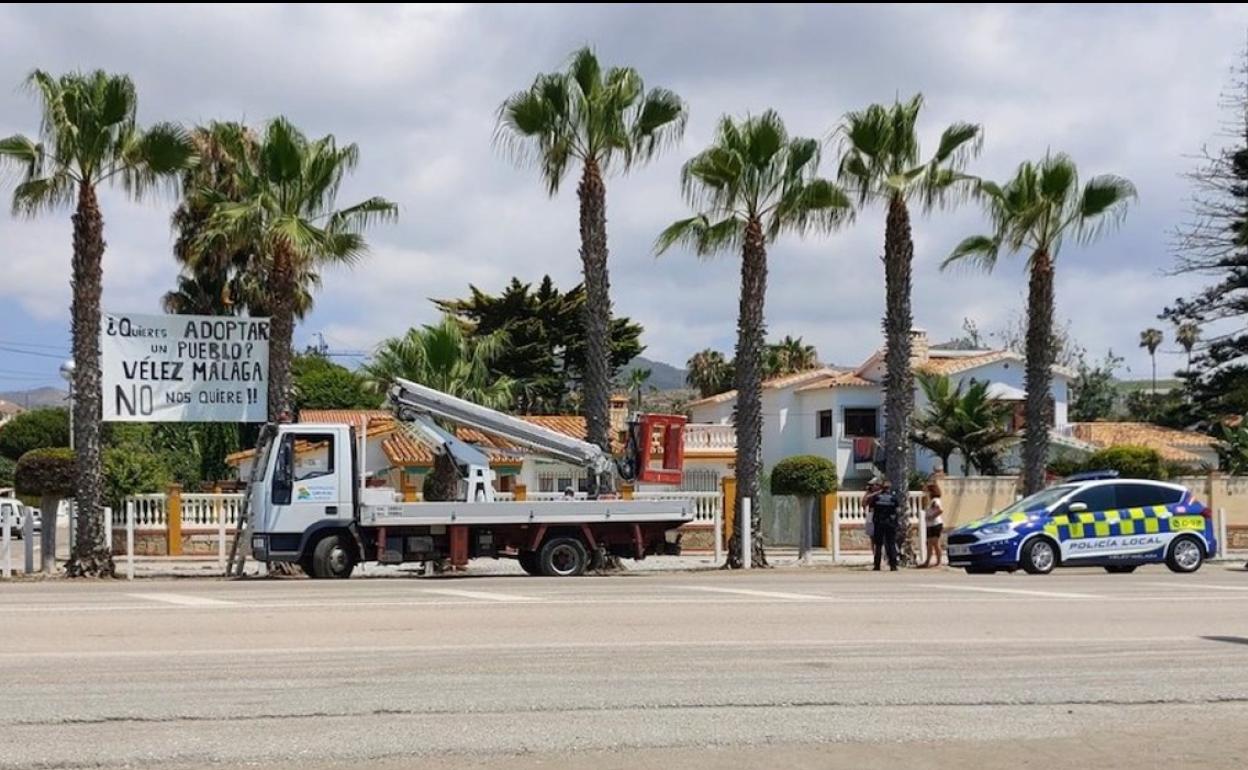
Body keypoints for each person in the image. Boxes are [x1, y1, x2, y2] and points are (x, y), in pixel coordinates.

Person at [870, 479, 900, 571]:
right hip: (890, 523)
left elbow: (871, 509)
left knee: (878, 545)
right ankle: (893, 565)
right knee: (891, 543)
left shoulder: (877, 497)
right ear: (889, 488)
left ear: (881, 488)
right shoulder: (893, 498)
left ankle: (877, 565)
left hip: (879, 523)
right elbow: (898, 511)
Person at [921, 477, 944, 568]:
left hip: (936, 524)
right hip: (930, 525)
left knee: (935, 543)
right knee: (930, 543)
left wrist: (931, 517)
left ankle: (938, 562)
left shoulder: (935, 501)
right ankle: (927, 561)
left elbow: (940, 510)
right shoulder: (931, 501)